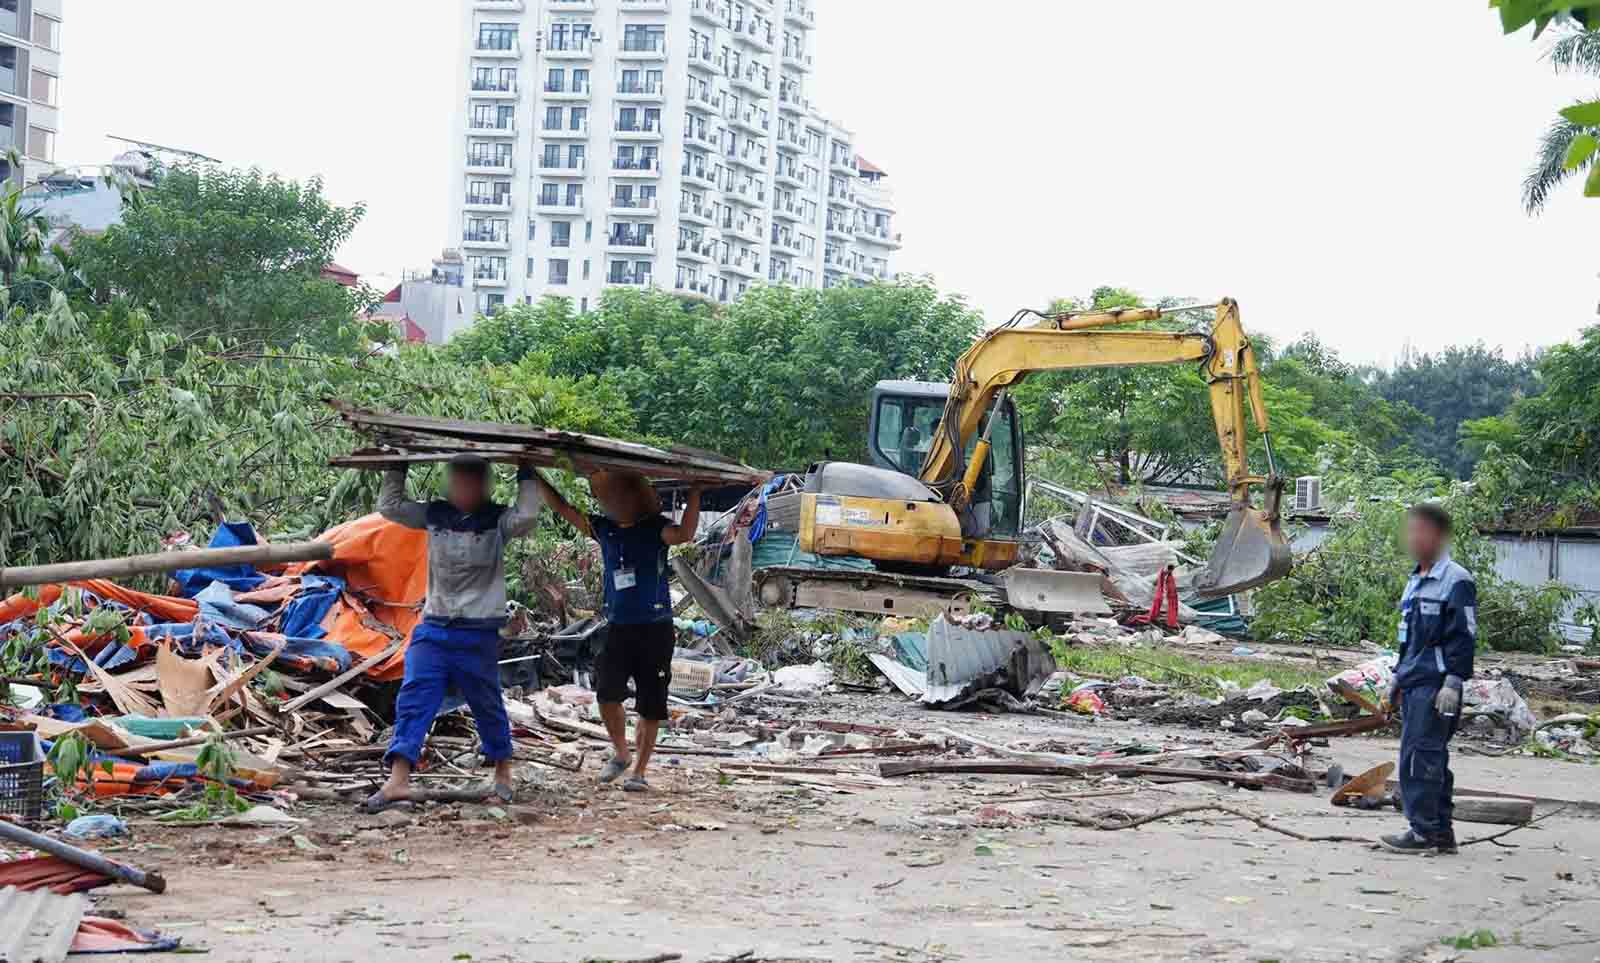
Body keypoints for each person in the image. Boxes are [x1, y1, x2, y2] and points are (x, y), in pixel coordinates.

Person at [364, 454, 543, 813]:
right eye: (456, 482)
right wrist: (398, 463)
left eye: (469, 482)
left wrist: (526, 468)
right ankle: (398, 779)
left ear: (483, 485)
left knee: (486, 701)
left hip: (477, 632)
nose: (461, 489)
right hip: (435, 627)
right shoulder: (434, 515)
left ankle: (503, 771)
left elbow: (528, 516)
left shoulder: (497, 521)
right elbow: (390, 506)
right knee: (415, 695)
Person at [535, 470, 701, 792]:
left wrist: (695, 493)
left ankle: (639, 771)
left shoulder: (656, 529)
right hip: (617, 628)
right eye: (611, 497)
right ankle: (622, 752)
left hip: (655, 629)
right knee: (607, 694)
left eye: (622, 495)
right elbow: (563, 508)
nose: (616, 502)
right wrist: (535, 476)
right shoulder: (604, 528)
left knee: (651, 704)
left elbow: (685, 534)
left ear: (637, 499)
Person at [1379, 503, 1476, 855]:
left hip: (1436, 686)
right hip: (1414, 681)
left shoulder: (1456, 580)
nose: (1413, 538)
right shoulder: (1415, 580)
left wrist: (1453, 682)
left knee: (1421, 760)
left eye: (1420, 531)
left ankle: (1422, 832)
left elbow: (1464, 637)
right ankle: (1441, 832)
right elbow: (1409, 639)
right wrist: (1397, 680)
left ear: (1437, 536)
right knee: (1430, 758)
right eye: (1411, 531)